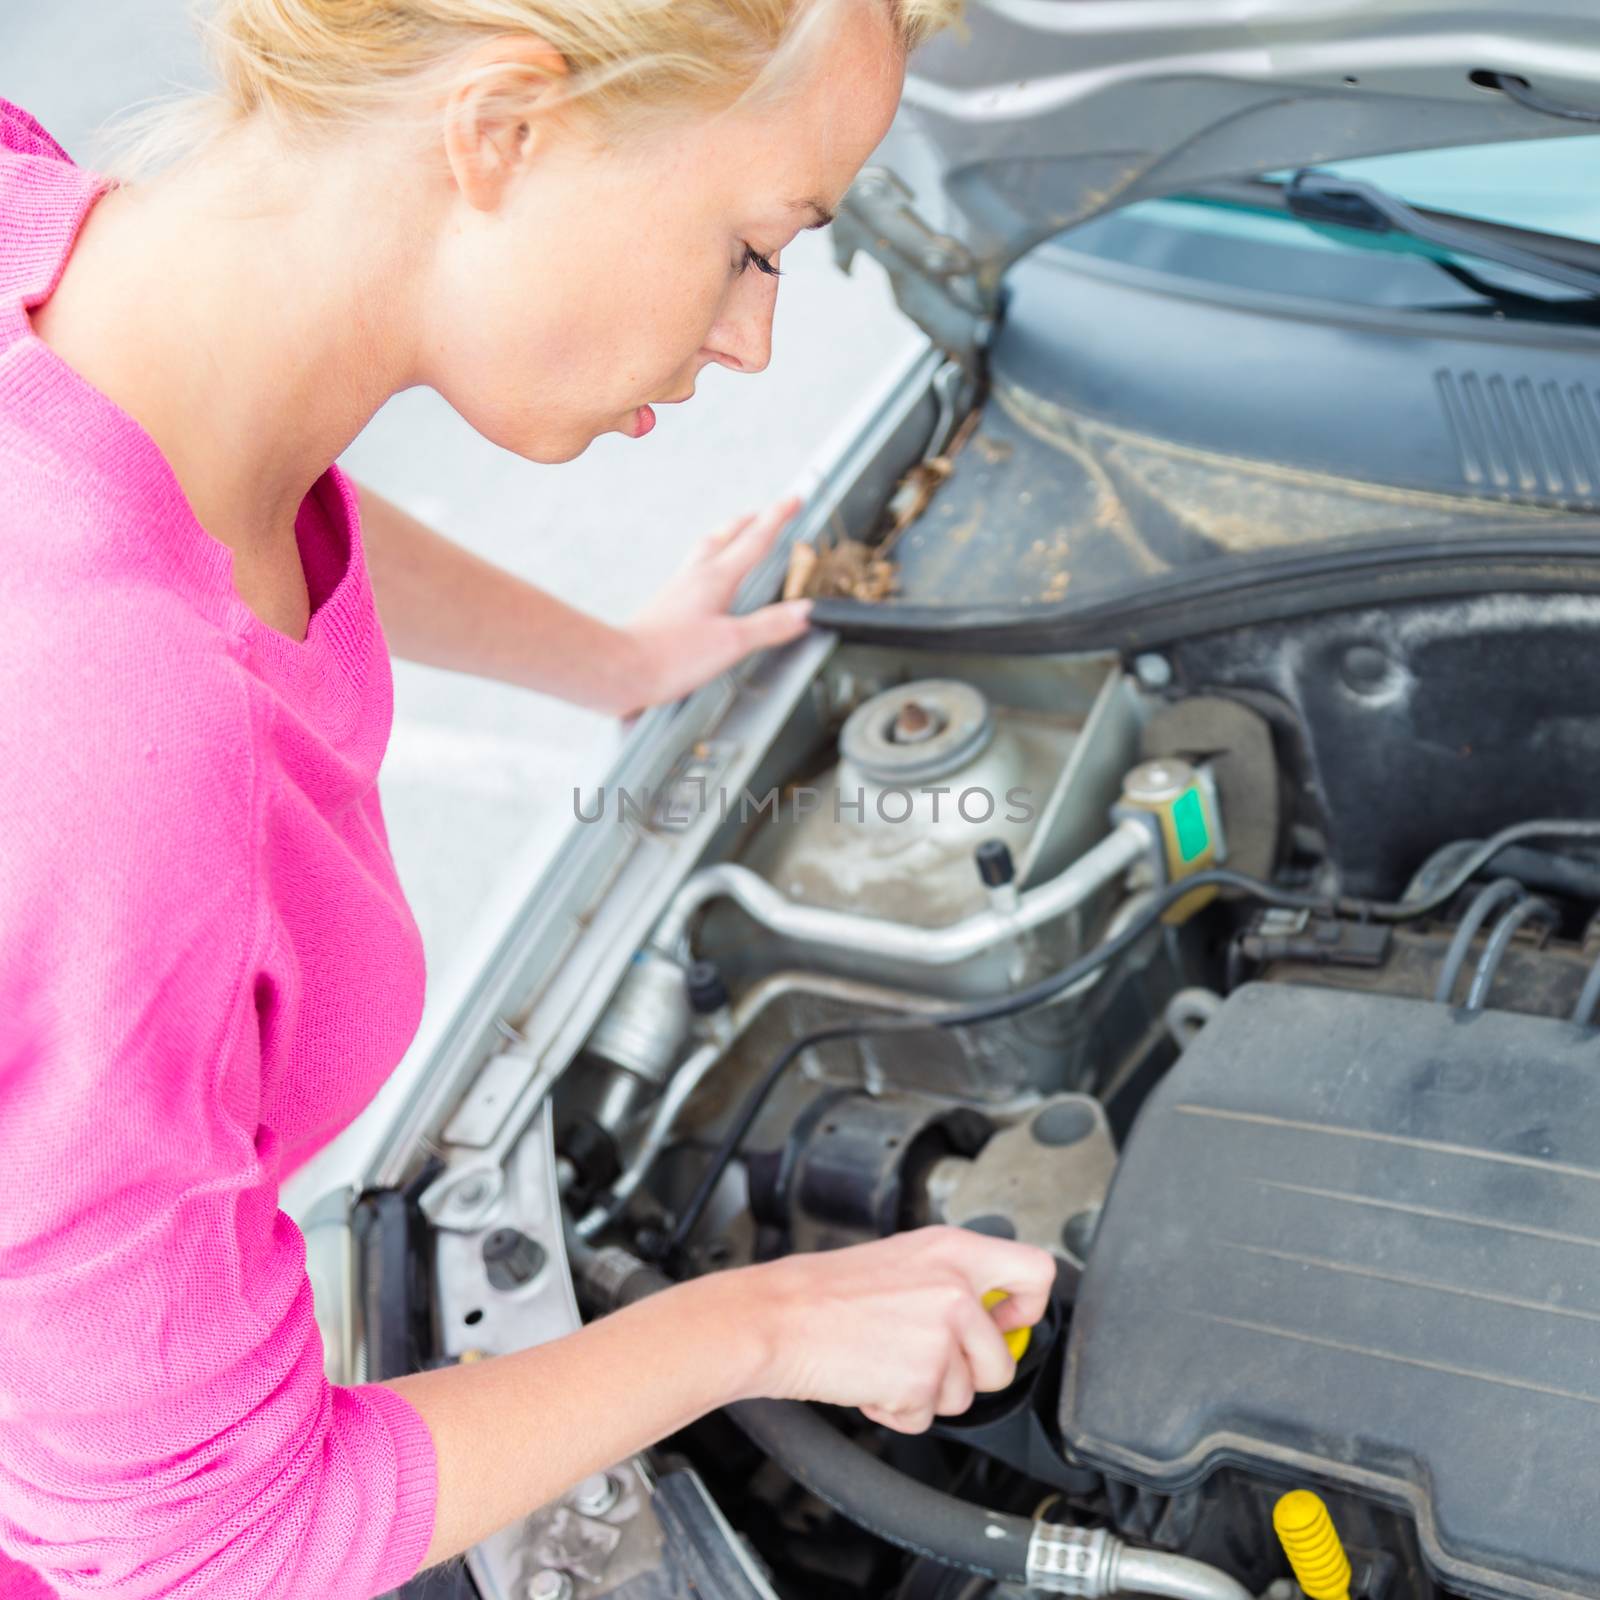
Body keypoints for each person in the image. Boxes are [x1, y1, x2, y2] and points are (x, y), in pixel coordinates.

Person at [0, 3, 1056, 1595]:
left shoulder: (66, 253)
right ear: (502, 126)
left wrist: (609, 661)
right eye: (752, 246)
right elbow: (204, 1540)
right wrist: (757, 1326)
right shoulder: (108, 750)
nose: (750, 338)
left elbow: (233, 477)